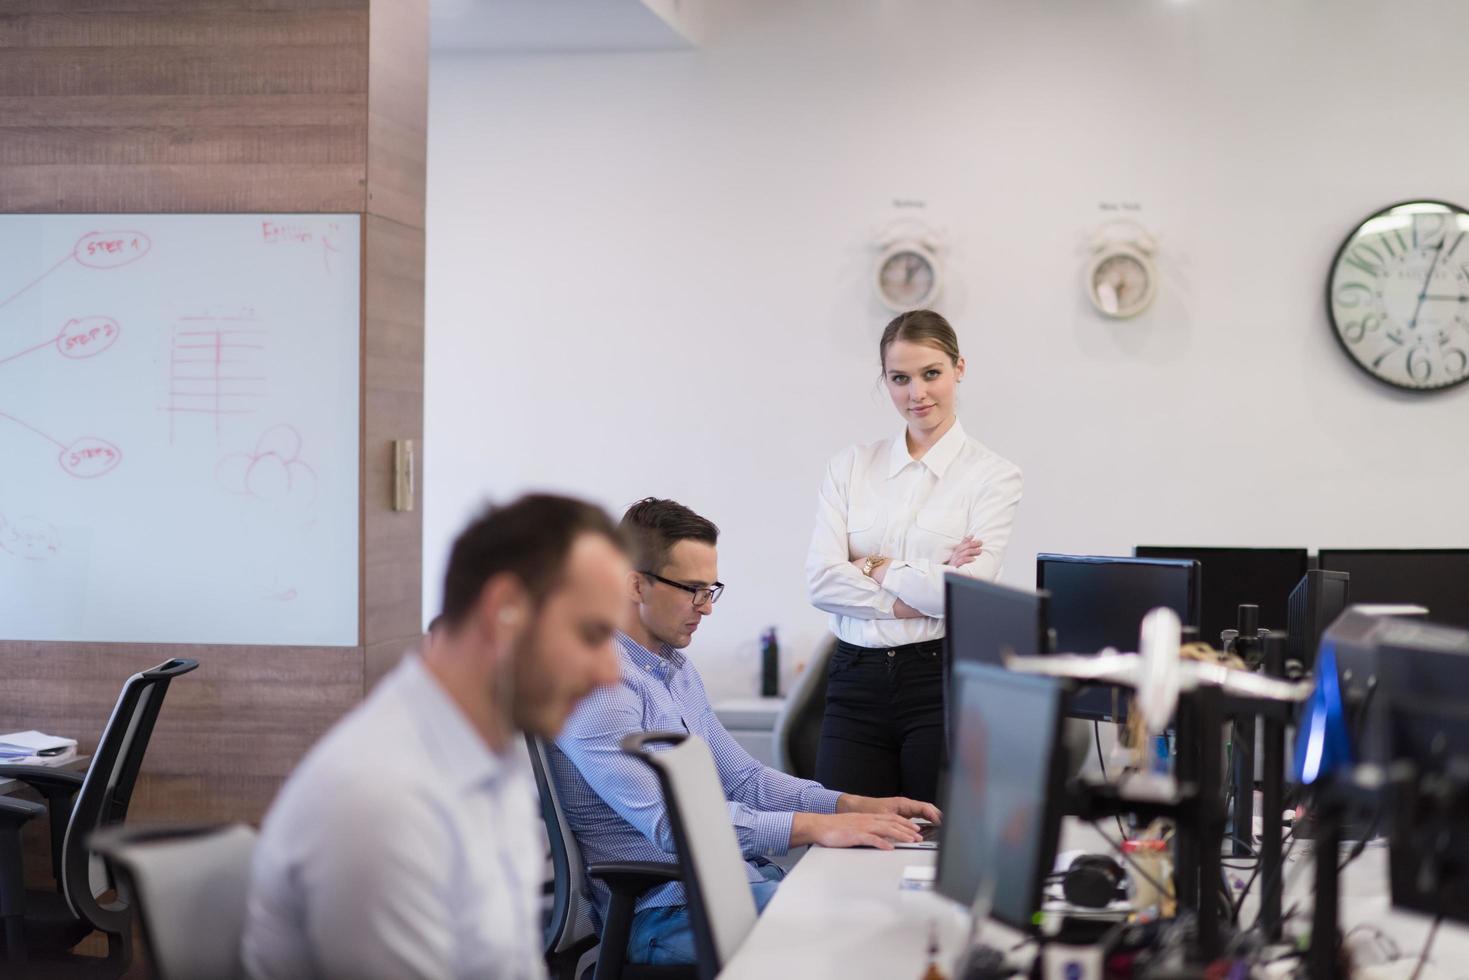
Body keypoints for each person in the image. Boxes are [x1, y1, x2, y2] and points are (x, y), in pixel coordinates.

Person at [242, 495, 630, 980]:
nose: (612, 674)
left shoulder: (492, 760)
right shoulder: (381, 801)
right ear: (504, 611)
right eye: (592, 635)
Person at [550, 497, 940, 967]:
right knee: (858, 946)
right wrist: (817, 827)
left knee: (888, 916)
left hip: (730, 883)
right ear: (635, 584)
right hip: (664, 910)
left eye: (711, 589)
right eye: (692, 589)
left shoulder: (673, 668)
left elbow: (743, 780)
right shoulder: (599, 687)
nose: (706, 607)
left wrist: (848, 805)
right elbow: (673, 827)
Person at [805, 309, 1023, 804]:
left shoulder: (994, 476)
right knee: (847, 840)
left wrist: (871, 564)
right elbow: (820, 582)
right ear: (885, 380)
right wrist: (917, 590)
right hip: (852, 681)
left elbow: (967, 593)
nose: (916, 394)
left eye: (931, 374)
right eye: (899, 379)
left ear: (958, 369)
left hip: (938, 682)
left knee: (935, 844)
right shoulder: (850, 466)